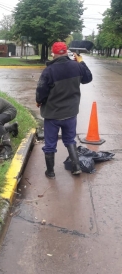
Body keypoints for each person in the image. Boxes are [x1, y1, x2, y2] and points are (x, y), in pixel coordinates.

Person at [36, 41, 93, 179]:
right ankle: (76, 167)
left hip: (52, 115)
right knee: (70, 140)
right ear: (66, 52)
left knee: (50, 144)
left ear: (53, 53)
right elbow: (88, 78)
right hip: (70, 113)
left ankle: (50, 172)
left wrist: (39, 101)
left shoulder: (49, 71)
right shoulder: (77, 66)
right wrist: (81, 62)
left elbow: (41, 90)